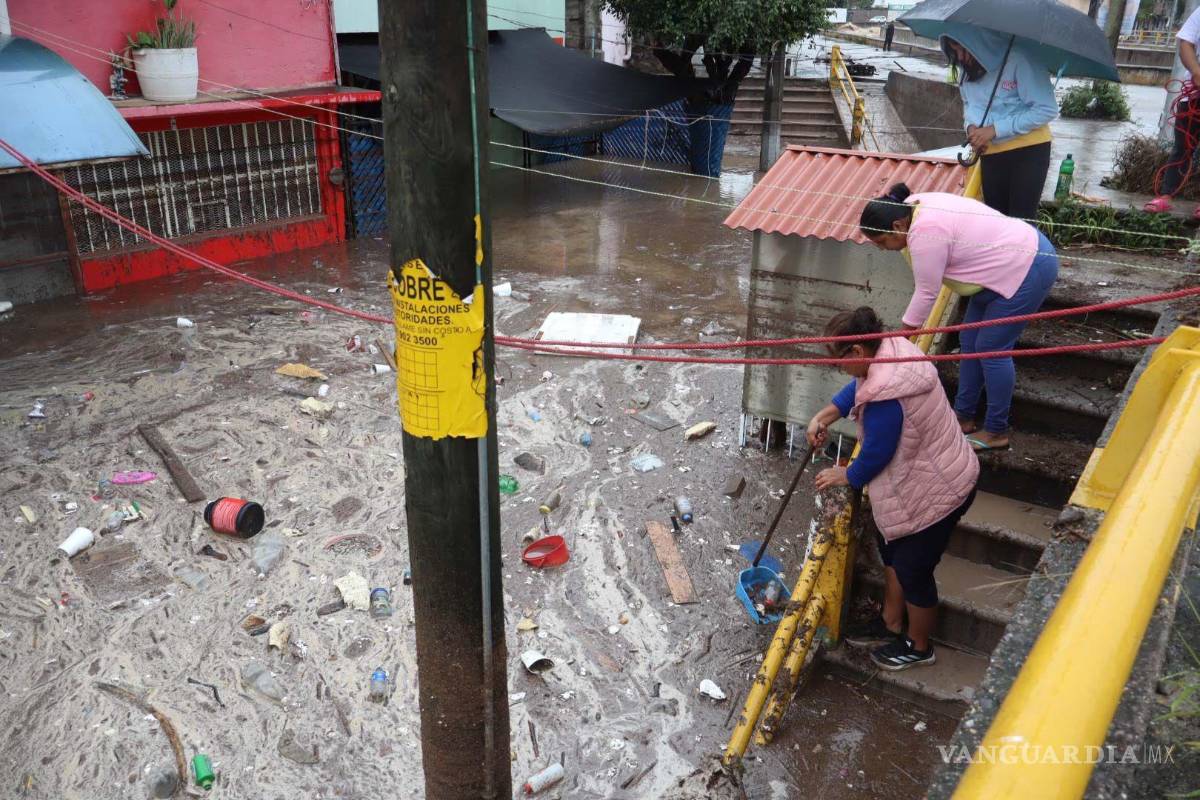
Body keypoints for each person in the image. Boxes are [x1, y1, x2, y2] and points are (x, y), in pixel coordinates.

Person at [808, 307, 979, 671]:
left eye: (840, 362)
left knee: (913, 569)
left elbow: (878, 452)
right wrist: (826, 414)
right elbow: (858, 388)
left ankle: (919, 646)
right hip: (938, 470)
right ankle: (889, 621)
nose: (840, 369)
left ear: (857, 352)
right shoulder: (889, 351)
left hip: (937, 492)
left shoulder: (887, 395)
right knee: (891, 548)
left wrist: (848, 476)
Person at [859, 182, 1060, 451]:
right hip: (995, 269)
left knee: (991, 348)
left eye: (882, 242)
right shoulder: (910, 207)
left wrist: (899, 341)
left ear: (897, 226)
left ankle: (996, 430)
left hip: (1028, 263)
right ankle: (963, 416)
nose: (882, 248)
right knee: (969, 341)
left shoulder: (925, 232)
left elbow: (927, 293)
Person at [940, 29, 1058, 220]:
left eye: (965, 49)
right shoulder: (967, 69)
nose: (961, 57)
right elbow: (969, 104)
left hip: (1027, 151)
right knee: (996, 221)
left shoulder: (1021, 59)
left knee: (1021, 222)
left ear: (981, 43)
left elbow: (1047, 109)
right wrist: (971, 127)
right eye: (955, 51)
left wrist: (995, 129)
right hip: (990, 151)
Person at [1143, 6, 1200, 217]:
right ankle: (1165, 196)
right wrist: (1196, 72)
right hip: (1194, 95)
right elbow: (1186, 41)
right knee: (1182, 148)